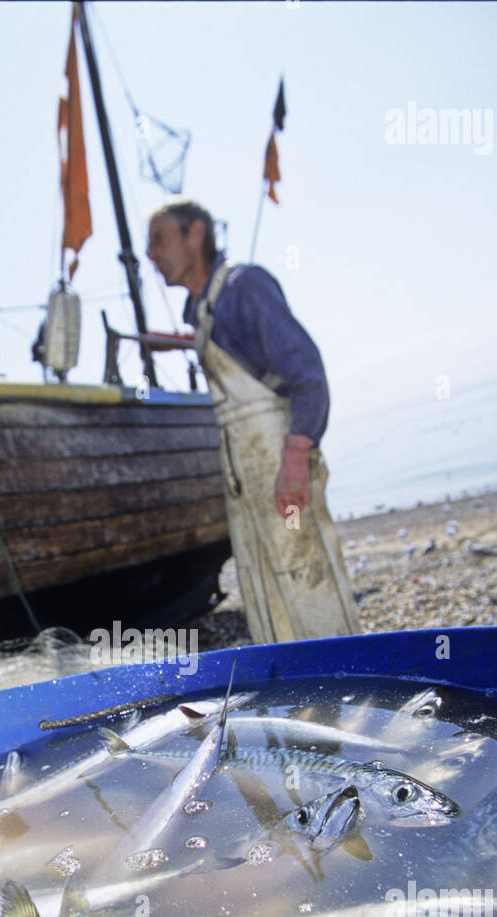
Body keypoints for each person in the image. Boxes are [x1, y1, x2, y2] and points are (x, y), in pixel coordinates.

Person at [146, 198, 360, 645]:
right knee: (265, 592)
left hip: (280, 470)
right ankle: (301, 705)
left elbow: (308, 376)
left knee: (306, 579)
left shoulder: (244, 287)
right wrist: (184, 342)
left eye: (159, 239)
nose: (151, 253)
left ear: (196, 234)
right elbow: (235, 347)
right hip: (245, 484)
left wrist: (297, 460)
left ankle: (353, 694)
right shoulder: (205, 310)